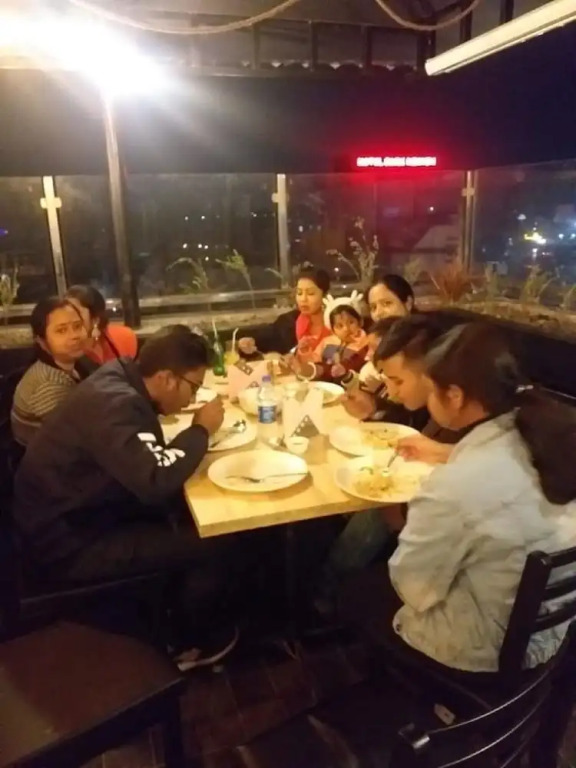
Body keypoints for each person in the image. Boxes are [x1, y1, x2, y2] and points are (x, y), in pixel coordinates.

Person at [342, 322, 576, 685]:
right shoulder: (550, 437)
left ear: (453, 396)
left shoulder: (455, 486)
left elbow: (411, 585)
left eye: (431, 390)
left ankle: (390, 693)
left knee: (357, 591)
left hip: (481, 652)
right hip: (552, 635)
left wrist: (395, 517)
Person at [12, 324, 238, 668]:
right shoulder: (116, 406)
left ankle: (175, 612)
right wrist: (200, 429)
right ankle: (188, 643)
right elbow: (156, 478)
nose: (193, 399)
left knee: (187, 511)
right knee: (213, 541)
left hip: (81, 512)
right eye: (194, 387)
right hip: (68, 542)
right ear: (166, 378)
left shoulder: (119, 376)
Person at [11, 297, 93, 446]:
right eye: (61, 330)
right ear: (42, 341)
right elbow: (75, 440)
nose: (74, 335)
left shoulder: (74, 364)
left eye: (77, 326)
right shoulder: (49, 385)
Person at [237, 264, 331, 358]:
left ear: (324, 294)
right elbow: (265, 339)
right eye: (299, 293)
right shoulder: (289, 321)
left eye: (311, 293)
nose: (303, 299)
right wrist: (249, 342)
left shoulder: (335, 322)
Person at [292, 292, 368, 383]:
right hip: (325, 385)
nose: (346, 329)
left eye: (351, 322)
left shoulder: (365, 344)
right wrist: (304, 351)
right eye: (340, 326)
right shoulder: (327, 342)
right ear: (332, 329)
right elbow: (314, 362)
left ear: (360, 322)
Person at [66, 284, 138, 364]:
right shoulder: (66, 352)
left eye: (77, 312)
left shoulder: (123, 338)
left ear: (95, 319)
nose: (69, 318)